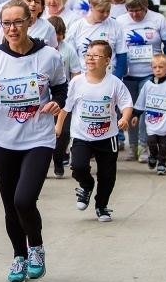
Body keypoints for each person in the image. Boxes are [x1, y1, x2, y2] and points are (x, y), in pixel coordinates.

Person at [0, 0, 67, 282]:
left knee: (24, 200)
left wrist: (57, 103)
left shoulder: (49, 55)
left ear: (29, 22)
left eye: (17, 22)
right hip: (4, 140)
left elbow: (61, 88)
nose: (11, 28)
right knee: (10, 205)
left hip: (39, 138)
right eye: (6, 23)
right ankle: (18, 257)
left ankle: (36, 246)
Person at [57, 40, 133, 222]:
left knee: (107, 176)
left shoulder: (114, 83)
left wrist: (124, 118)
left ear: (107, 61)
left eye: (96, 56)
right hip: (81, 135)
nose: (90, 59)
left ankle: (102, 206)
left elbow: (126, 104)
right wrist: (58, 125)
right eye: (88, 55)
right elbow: (65, 107)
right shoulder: (77, 82)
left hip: (108, 137)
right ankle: (86, 185)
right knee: (78, 166)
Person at [115, 0, 166, 162]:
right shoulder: (120, 21)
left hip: (150, 74)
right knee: (130, 111)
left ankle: (144, 146)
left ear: (145, 7)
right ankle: (132, 145)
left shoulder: (158, 20)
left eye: (138, 11)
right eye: (131, 11)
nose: (134, 15)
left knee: (145, 112)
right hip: (129, 74)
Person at [130, 53, 166, 175]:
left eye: (161, 67)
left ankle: (162, 163)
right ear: (151, 68)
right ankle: (152, 155)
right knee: (151, 140)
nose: (158, 70)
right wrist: (136, 114)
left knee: (163, 145)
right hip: (152, 120)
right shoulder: (148, 85)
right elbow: (141, 100)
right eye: (155, 67)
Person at [64, 0, 127, 77]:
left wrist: (118, 79)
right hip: (84, 78)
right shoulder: (76, 27)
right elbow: (70, 56)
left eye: (108, 11)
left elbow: (122, 54)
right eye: (101, 11)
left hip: (109, 78)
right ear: (91, 7)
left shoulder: (115, 25)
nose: (105, 14)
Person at [48, 16, 82, 177]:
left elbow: (75, 71)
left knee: (64, 131)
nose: (57, 37)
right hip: (44, 96)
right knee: (46, 131)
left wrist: (73, 89)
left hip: (64, 96)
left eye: (60, 34)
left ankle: (59, 158)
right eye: (54, 34)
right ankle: (45, 161)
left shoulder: (68, 50)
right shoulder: (42, 49)